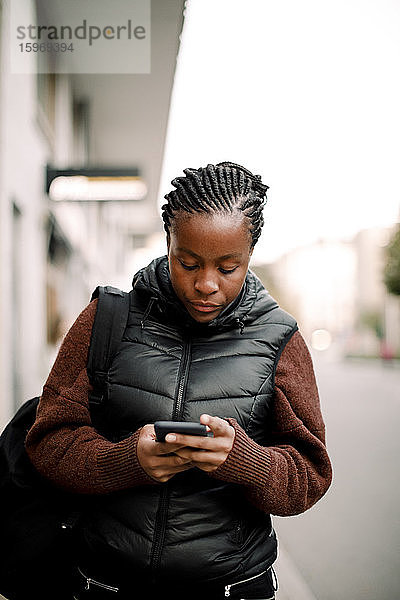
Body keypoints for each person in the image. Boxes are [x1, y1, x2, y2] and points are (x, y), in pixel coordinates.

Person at [25, 161, 332, 600]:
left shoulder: (281, 340)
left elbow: (309, 478)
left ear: (250, 255)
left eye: (228, 268)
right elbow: (47, 443)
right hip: (105, 583)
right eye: (187, 262)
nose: (206, 284)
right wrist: (126, 460)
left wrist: (244, 460)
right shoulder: (106, 320)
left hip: (232, 587)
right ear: (168, 243)